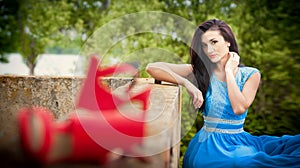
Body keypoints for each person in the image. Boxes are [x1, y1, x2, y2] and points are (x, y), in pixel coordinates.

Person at [146, 19, 300, 167]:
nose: (210, 50)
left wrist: (229, 73)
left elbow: (239, 108)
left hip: (238, 140)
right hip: (209, 144)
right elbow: (152, 68)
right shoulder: (200, 71)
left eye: (214, 42)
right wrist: (186, 82)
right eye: (204, 45)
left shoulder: (251, 74)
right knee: (240, 163)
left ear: (228, 42)